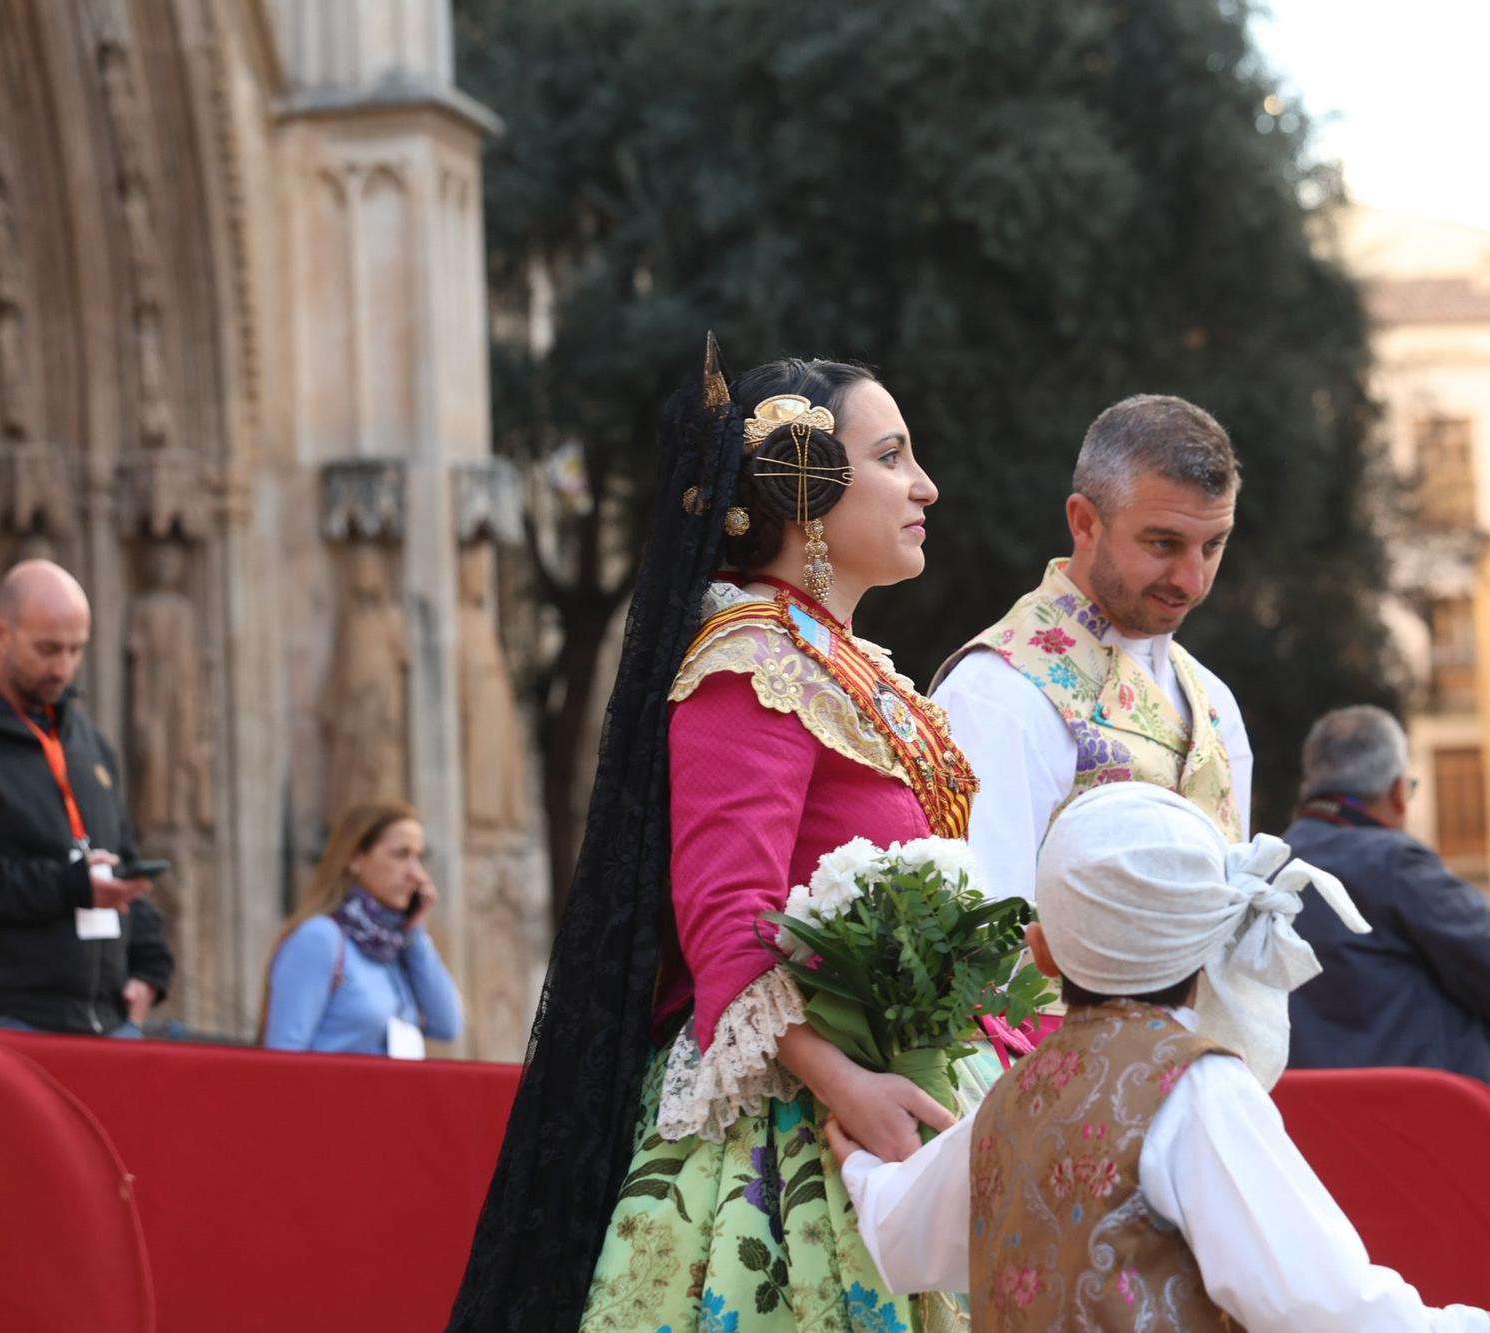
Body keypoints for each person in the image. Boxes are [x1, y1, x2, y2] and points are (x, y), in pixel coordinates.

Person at [449, 344, 980, 1333]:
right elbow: (723, 916)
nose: (925, 485)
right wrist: (847, 1083)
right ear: (806, 486)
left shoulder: (843, 665)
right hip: (792, 1127)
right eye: (892, 456)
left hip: (897, 1096)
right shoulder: (749, 662)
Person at [830, 782, 1490, 1331]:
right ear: (1209, 944)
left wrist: (856, 1160)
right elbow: (1318, 1304)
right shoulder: (1198, 1088)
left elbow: (900, 1234)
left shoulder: (1010, 1099)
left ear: (1041, 953)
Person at [930, 394, 1323, 1082]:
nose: (1192, 579)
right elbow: (981, 960)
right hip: (1052, 1107)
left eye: (1214, 545)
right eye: (1163, 543)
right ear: (1085, 521)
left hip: (1204, 1093)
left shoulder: (1215, 702)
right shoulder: (997, 695)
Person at [1281, 705, 1490, 1170]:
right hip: (1428, 1136)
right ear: (1396, 793)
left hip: (1310, 1143)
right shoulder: (1393, 862)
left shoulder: (1267, 866)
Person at [0, 559, 172, 1035]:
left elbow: (123, 864)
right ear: (0, 633)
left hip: (108, 1022)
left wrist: (150, 968)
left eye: (77, 650)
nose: (64, 668)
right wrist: (67, 886)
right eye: (48, 649)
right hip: (2, 1017)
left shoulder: (89, 742)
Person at [259, 801, 461, 1056]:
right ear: (355, 858)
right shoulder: (321, 937)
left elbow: (447, 1025)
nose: (417, 874)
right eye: (401, 855)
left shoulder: (395, 944)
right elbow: (284, 1054)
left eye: (419, 857)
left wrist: (415, 932)